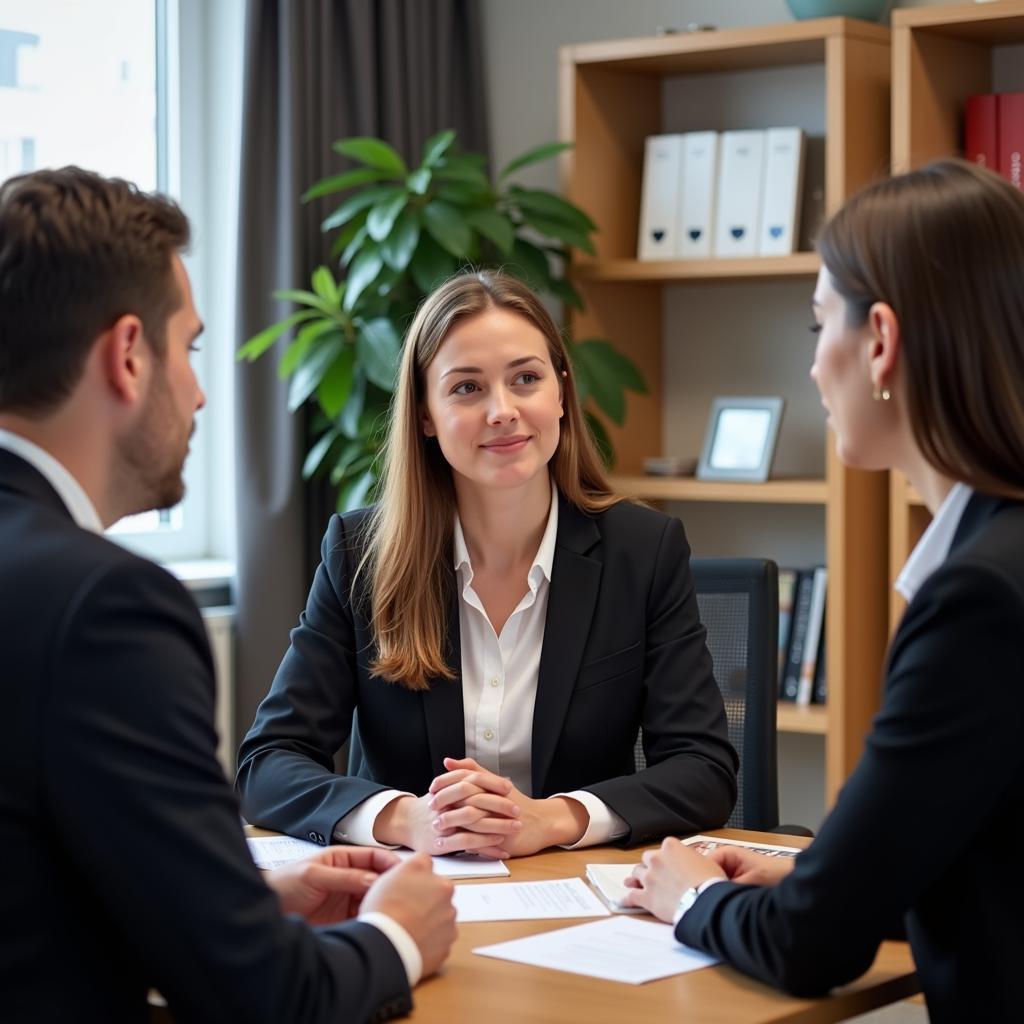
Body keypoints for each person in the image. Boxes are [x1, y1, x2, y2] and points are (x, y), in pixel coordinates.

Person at [0, 166, 456, 1024]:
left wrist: (236, 901)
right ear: (129, 355)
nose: (201, 390)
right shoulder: (105, 607)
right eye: (191, 348)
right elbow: (268, 997)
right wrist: (398, 934)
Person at [623, 159, 1024, 1021]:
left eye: (816, 327)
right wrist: (819, 868)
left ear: (880, 339)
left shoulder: (980, 603)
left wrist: (691, 896)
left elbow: (811, 945)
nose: (811, 369)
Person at [236, 270, 738, 860]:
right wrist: (408, 818)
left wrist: (551, 819)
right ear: (425, 414)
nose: (502, 410)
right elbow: (268, 763)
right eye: (467, 388)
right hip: (416, 888)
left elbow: (704, 769)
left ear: (560, 392)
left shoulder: (643, 550)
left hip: (577, 901)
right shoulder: (359, 553)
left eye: (526, 379)